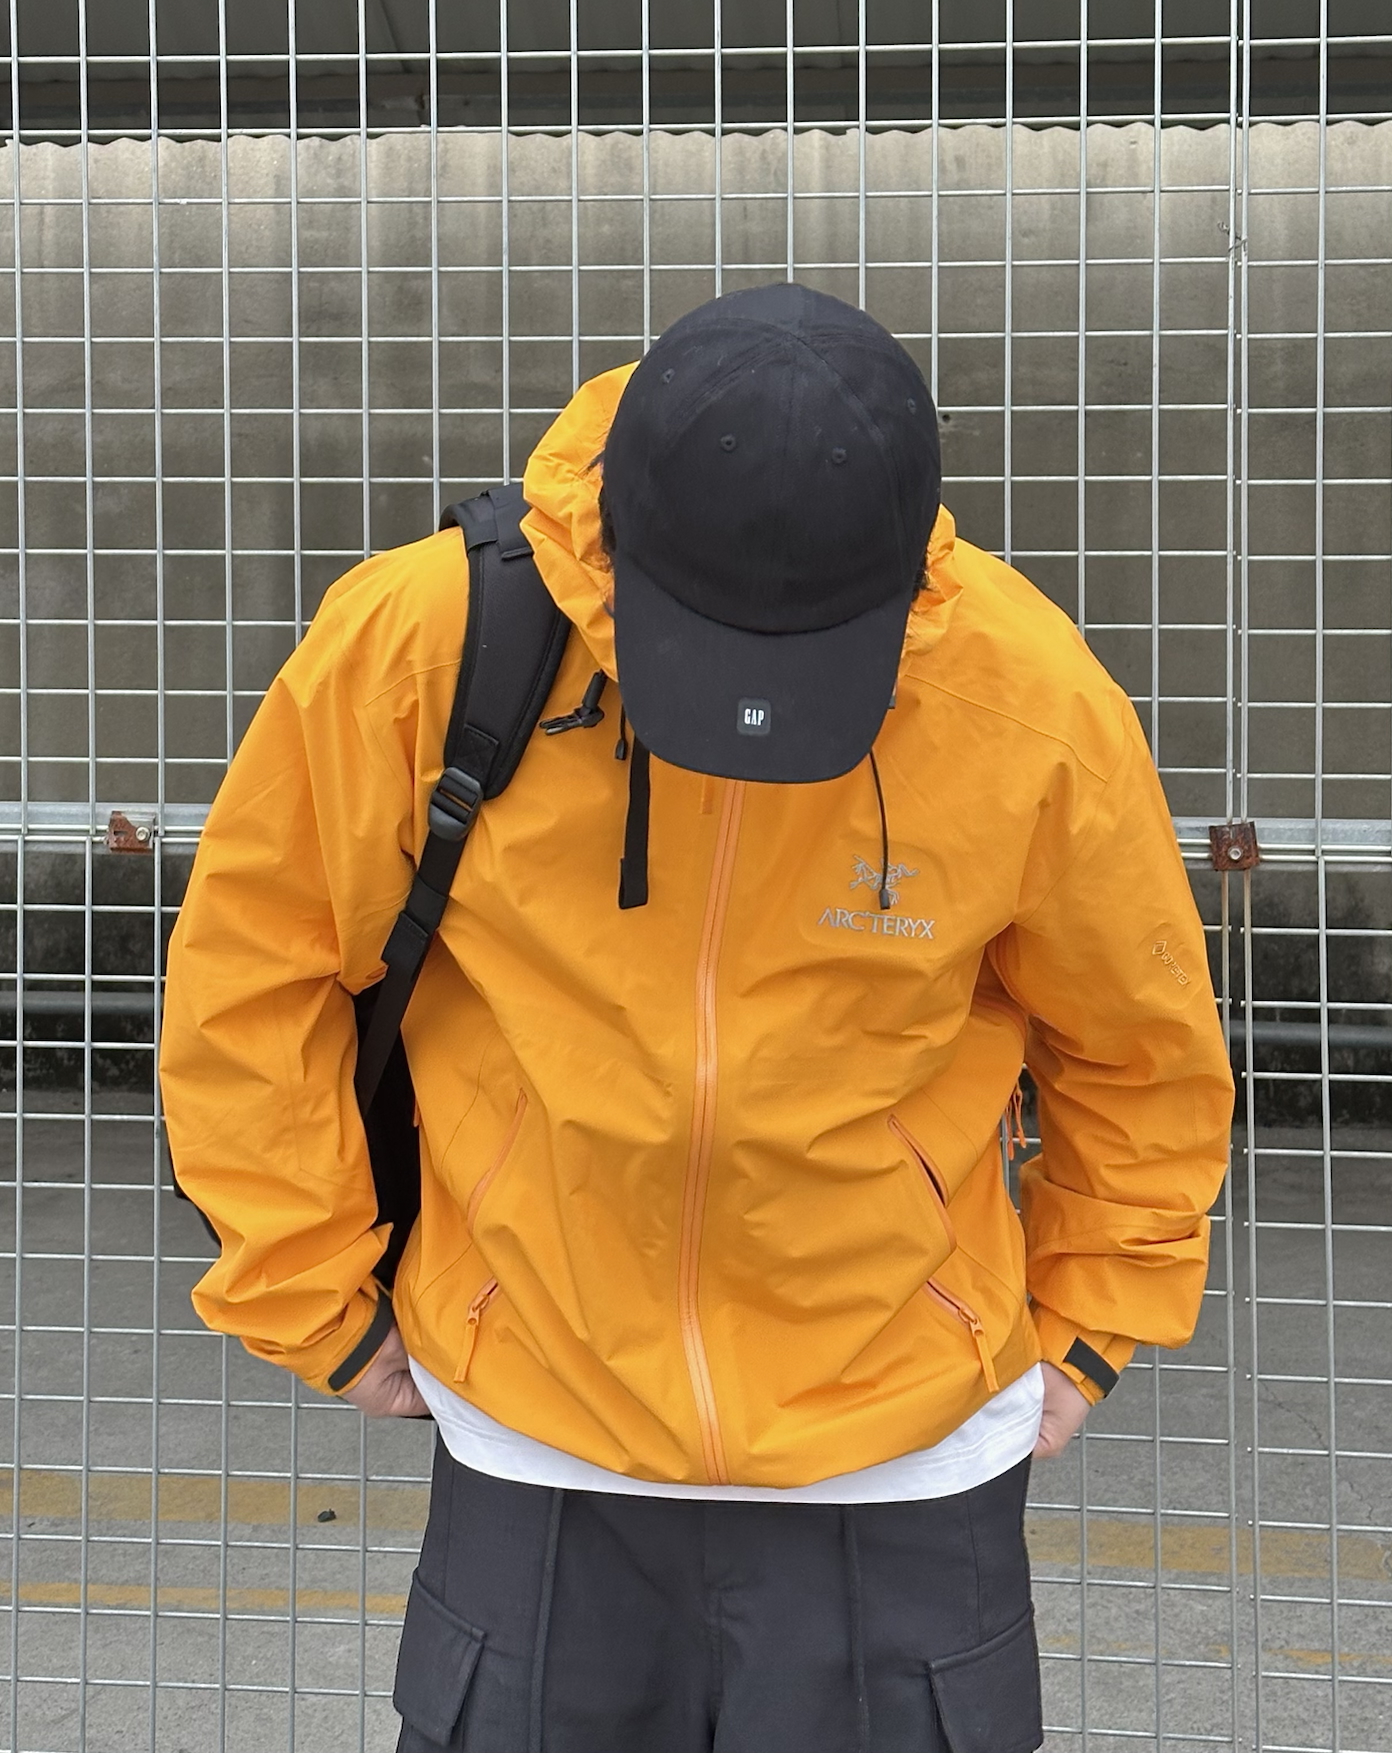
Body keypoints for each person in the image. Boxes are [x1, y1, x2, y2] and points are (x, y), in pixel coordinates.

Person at [160, 283, 1233, 1753]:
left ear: (906, 571)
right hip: (537, 1437)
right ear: (616, 539)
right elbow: (251, 972)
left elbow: (1140, 1044)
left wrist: (1092, 1321)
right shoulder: (428, 639)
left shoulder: (1022, 694)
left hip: (906, 1456)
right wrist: (315, 1300)